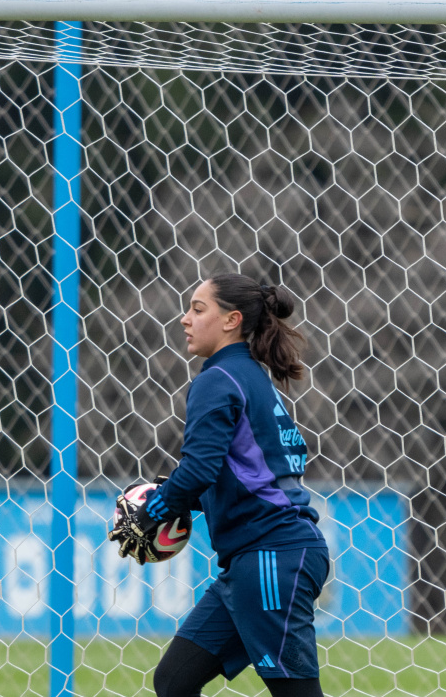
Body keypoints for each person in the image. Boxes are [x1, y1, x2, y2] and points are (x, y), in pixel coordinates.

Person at [108, 273, 330, 697]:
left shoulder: (217, 379)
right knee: (174, 681)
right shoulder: (251, 377)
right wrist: (181, 500)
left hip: (271, 557)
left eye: (197, 309)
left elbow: (198, 470)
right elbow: (250, 475)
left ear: (232, 320)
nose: (185, 319)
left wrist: (153, 513)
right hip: (260, 558)